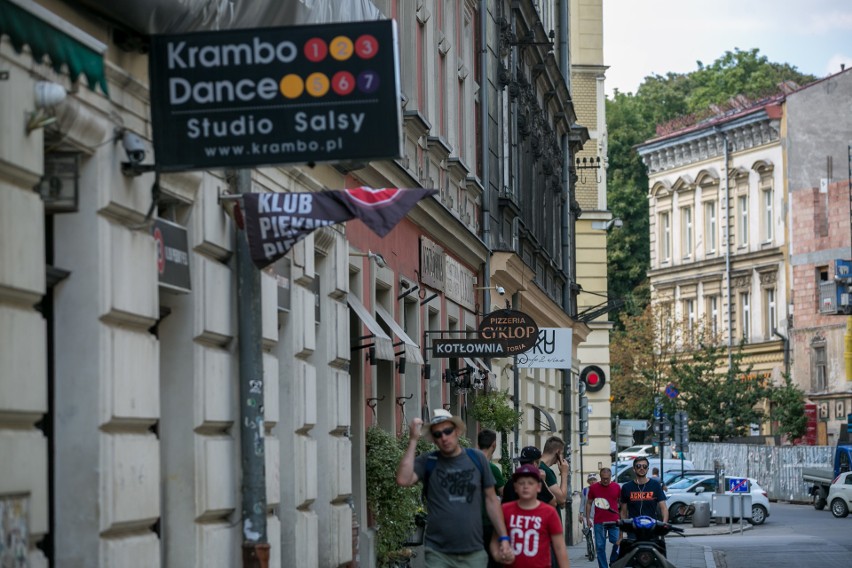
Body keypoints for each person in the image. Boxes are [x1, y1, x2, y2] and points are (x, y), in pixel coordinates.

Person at [396, 409, 514, 567]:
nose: (444, 437)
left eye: (447, 431)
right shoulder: (428, 461)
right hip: (438, 552)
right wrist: (413, 440)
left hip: (473, 552)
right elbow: (403, 479)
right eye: (438, 434)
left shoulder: (477, 459)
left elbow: (492, 501)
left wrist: (504, 538)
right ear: (434, 440)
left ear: (457, 431)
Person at [491, 464, 570, 568]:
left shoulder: (549, 513)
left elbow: (559, 547)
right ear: (515, 487)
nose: (525, 486)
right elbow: (494, 542)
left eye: (530, 483)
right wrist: (499, 556)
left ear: (538, 487)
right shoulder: (505, 510)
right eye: (521, 483)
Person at [619, 456, 669, 557]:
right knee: (632, 558)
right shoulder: (626, 487)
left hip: (652, 528)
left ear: (648, 469)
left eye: (644, 466)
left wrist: (664, 525)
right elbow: (623, 512)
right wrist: (621, 535)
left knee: (653, 558)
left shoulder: (655, 485)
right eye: (638, 466)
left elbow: (664, 508)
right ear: (634, 469)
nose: (642, 468)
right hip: (633, 529)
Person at [478, 429, 506, 567]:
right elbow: (504, 493)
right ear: (494, 445)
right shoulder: (492, 469)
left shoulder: (469, 464)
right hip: (488, 522)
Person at [585, 468, 621, 568]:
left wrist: (622, 517)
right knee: (600, 547)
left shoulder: (617, 487)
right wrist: (588, 519)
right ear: (600, 477)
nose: (605, 480)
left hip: (614, 521)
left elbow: (622, 503)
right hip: (599, 522)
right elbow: (589, 503)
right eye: (603, 478)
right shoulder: (594, 488)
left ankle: (613, 561)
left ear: (611, 477)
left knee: (618, 542)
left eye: (607, 478)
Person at [539, 436, 570, 518]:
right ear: (558, 452)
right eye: (562, 453)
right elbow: (562, 499)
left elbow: (562, 504)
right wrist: (564, 473)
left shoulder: (543, 468)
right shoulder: (544, 470)